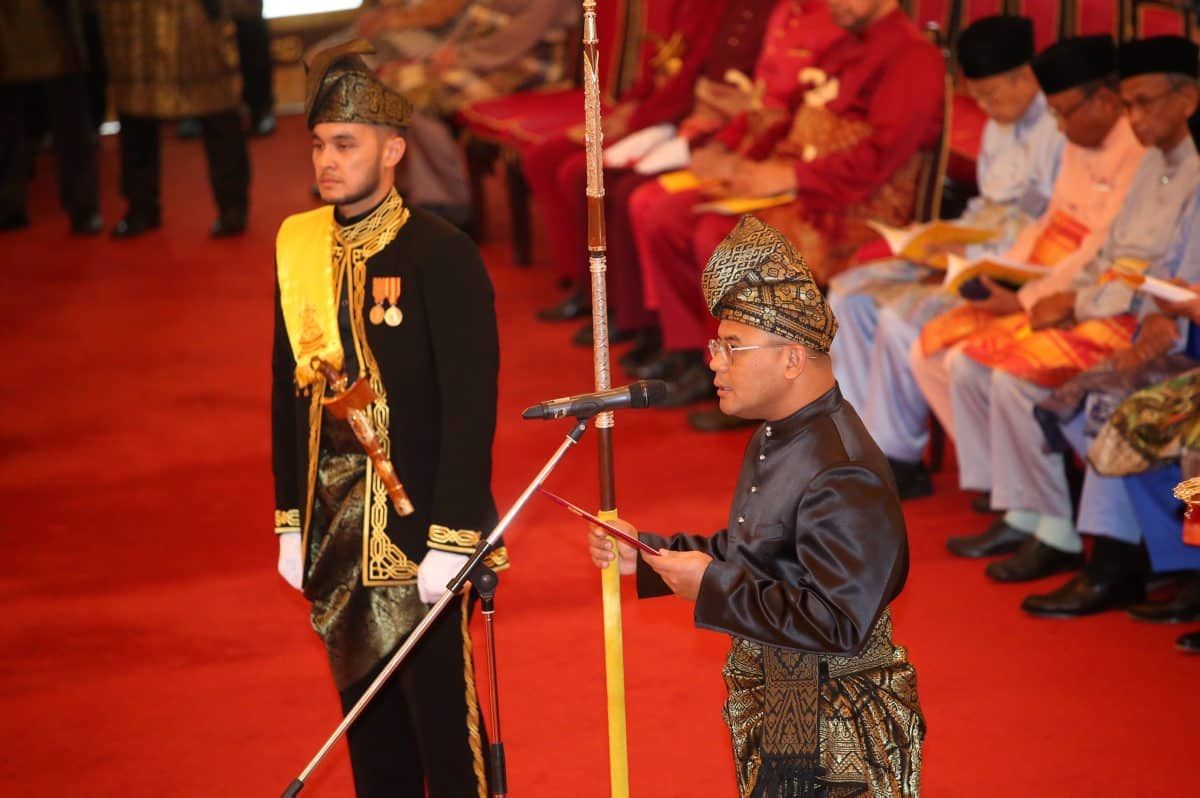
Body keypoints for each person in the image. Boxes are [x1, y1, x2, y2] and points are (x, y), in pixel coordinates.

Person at [589, 215, 922, 796]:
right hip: (790, 693)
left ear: (792, 359)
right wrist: (648, 558)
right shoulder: (781, 434)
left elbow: (840, 621)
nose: (713, 362)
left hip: (837, 724)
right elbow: (761, 551)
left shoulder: (840, 468)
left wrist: (713, 586)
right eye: (717, 346)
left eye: (731, 347)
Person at [271, 40, 506, 797]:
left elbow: (472, 407)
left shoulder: (443, 254)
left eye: (346, 144)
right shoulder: (303, 249)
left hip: (419, 533)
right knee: (369, 730)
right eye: (318, 145)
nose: (326, 162)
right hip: (336, 526)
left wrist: (456, 537)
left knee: (445, 729)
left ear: (393, 149)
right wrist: (288, 519)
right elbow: (287, 393)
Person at [943, 36, 1200, 584]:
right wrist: (1056, 300)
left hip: (1146, 320)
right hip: (1114, 303)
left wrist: (1075, 304)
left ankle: (1069, 534)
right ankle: (1027, 513)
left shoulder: (1193, 168)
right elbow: (1107, 252)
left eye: (1145, 103)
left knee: (1022, 381)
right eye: (1130, 104)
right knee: (973, 362)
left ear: (1189, 99)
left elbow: (1160, 279)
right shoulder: (1156, 157)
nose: (1135, 118)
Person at [626, 0, 945, 407]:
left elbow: (881, 156)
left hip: (853, 206)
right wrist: (739, 159)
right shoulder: (845, 43)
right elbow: (789, 110)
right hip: (798, 183)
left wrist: (792, 177)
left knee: (720, 237)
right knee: (670, 215)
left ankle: (746, 381)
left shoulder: (913, 56)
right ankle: (696, 356)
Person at [908, 35, 1145, 561]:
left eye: (1063, 113)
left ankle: (1056, 527)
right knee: (951, 356)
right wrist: (1005, 274)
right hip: (1053, 281)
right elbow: (1052, 220)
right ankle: (1019, 506)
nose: (1059, 127)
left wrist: (1027, 297)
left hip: (1110, 302)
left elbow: (1099, 250)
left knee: (1004, 375)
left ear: (1105, 100)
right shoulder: (1084, 138)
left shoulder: (1140, 150)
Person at [827, 14, 1064, 496]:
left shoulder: (1059, 129)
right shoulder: (1003, 122)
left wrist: (966, 250)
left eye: (993, 94)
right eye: (977, 95)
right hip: (973, 243)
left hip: (1015, 266)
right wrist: (934, 236)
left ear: (1027, 77)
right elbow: (987, 204)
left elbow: (1045, 229)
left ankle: (896, 456)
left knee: (900, 321)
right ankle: (853, 443)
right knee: (847, 294)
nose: (985, 106)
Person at [100, 0, 251, 237]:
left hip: (196, 17)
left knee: (217, 104)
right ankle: (141, 206)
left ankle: (233, 205)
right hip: (136, 20)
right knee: (135, 110)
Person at [0, 0, 101, 234]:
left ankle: (83, 205)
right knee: (6, 115)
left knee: (69, 113)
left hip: (53, 14)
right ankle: (8, 202)